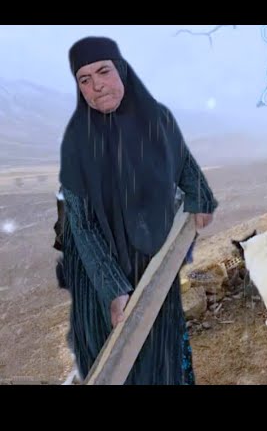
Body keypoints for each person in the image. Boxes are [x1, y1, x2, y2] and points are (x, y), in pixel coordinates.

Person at [59, 36, 217, 385]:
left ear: (123, 71)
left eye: (103, 71)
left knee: (164, 351)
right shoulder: (76, 142)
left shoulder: (156, 118)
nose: (96, 85)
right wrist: (113, 288)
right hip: (101, 271)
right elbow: (82, 226)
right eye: (84, 79)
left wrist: (199, 197)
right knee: (121, 358)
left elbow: (184, 163)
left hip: (152, 264)